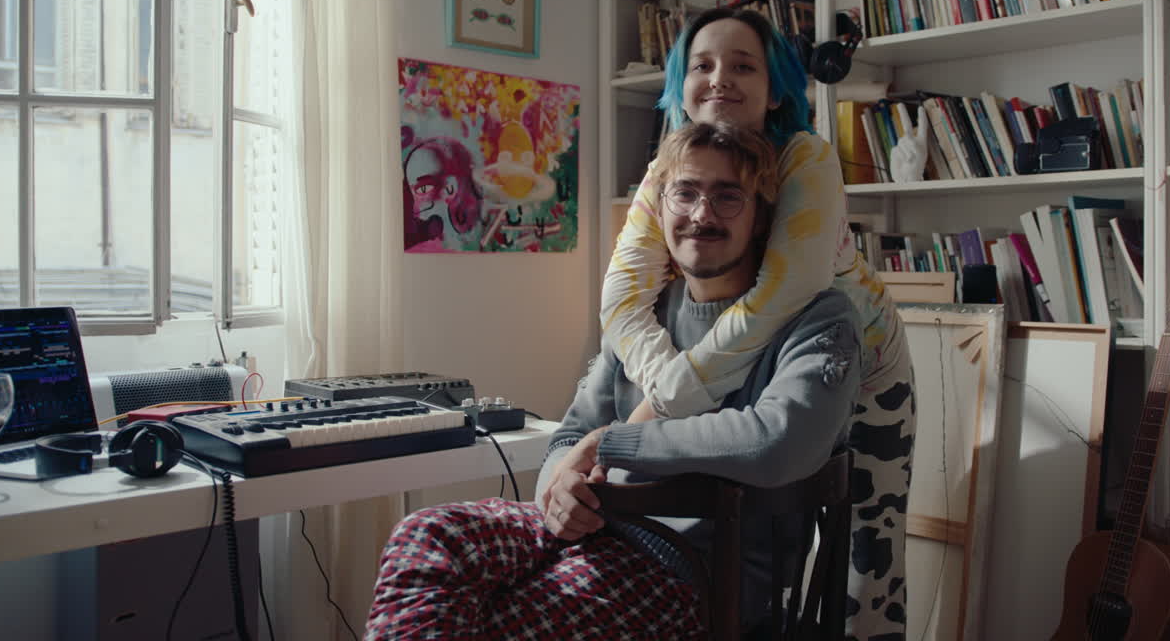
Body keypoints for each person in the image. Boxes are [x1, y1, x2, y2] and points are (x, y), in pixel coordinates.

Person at [365, 121, 863, 639]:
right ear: (661, 207)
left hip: (692, 578)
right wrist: (561, 491)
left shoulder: (819, 317)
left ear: (761, 217)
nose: (701, 214)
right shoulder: (643, 316)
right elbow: (566, 437)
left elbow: (779, 441)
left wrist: (613, 443)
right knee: (425, 536)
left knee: (502, 619)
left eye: (727, 197)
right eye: (685, 193)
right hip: (588, 536)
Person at [602, 6, 915, 639]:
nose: (720, 78)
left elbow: (785, 293)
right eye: (702, 65)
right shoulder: (667, 168)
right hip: (747, 358)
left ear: (776, 90)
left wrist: (665, 401)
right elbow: (621, 300)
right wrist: (665, 385)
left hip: (859, 364)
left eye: (743, 66)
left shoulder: (807, 157)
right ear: (678, 87)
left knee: (864, 561)